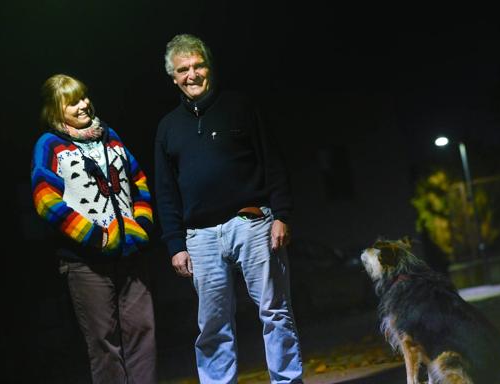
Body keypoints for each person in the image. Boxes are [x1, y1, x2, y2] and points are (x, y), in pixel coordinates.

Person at [154, 34, 304, 383]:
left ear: (209, 66)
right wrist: (175, 244)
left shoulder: (240, 106)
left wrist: (281, 214)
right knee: (212, 324)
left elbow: (273, 162)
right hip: (201, 237)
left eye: (198, 65)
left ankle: (288, 380)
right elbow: (165, 191)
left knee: (274, 312)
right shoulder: (167, 128)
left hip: (252, 222)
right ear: (174, 77)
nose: (192, 74)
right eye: (183, 69)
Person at [31, 74, 157, 383]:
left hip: (130, 256)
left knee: (143, 333)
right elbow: (45, 199)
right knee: (104, 343)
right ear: (55, 110)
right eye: (72, 102)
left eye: (84, 97)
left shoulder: (109, 136)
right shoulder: (50, 145)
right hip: (86, 263)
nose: (83, 105)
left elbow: (138, 180)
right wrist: (95, 237)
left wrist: (139, 228)